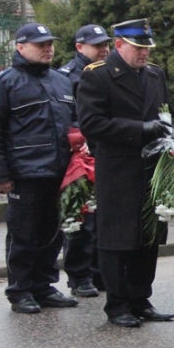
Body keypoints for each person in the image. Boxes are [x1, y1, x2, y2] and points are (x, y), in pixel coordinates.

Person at [76, 18, 174, 328]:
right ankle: (117, 304)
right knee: (117, 240)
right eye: (138, 47)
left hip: (152, 168)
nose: (144, 53)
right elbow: (92, 124)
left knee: (148, 238)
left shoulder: (155, 75)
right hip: (119, 168)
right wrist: (139, 129)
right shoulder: (98, 76)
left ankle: (140, 298)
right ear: (119, 45)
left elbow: (166, 114)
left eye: (147, 47)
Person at [0, 22, 78, 313]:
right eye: (40, 44)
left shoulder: (61, 81)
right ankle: (20, 289)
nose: (48, 49)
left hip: (59, 171)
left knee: (52, 232)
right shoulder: (4, 83)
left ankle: (43, 285)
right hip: (24, 173)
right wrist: (1, 176)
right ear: (20, 47)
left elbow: (74, 120)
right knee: (24, 233)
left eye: (50, 44)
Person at [59, 24, 112, 297]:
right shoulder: (68, 77)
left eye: (105, 44)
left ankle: (100, 272)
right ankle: (80, 276)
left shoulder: (109, 72)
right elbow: (65, 116)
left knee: (103, 218)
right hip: (80, 158)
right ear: (80, 47)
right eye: (96, 45)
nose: (103, 50)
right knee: (82, 218)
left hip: (104, 154)